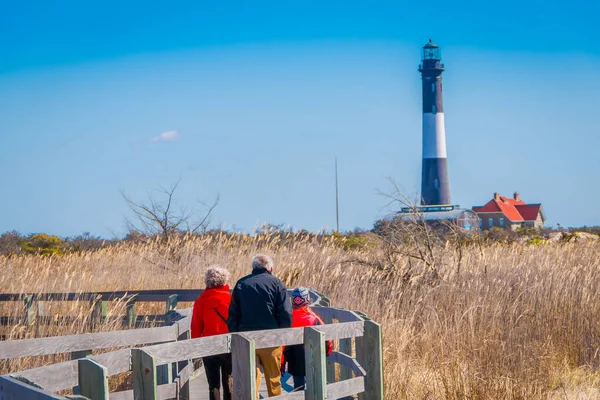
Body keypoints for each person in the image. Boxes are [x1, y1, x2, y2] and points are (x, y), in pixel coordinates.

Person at [228, 254, 292, 398]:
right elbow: (285, 312)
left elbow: (233, 313)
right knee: (274, 378)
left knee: (252, 379)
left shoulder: (241, 283)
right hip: (271, 338)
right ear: (271, 268)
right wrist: (284, 334)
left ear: (253, 267)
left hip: (246, 337)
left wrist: (235, 335)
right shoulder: (277, 283)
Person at [191, 265, 233, 400]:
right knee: (229, 381)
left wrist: (196, 347)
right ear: (224, 280)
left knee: (213, 384)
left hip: (208, 345)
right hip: (229, 344)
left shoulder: (201, 301)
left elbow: (196, 327)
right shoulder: (231, 300)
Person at [281, 287, 333, 391]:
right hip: (314, 360)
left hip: (295, 362)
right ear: (307, 300)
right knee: (315, 388)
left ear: (293, 301)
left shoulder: (289, 320)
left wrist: (282, 363)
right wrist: (327, 352)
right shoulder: (315, 319)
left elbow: (283, 345)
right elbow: (328, 341)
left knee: (298, 388)